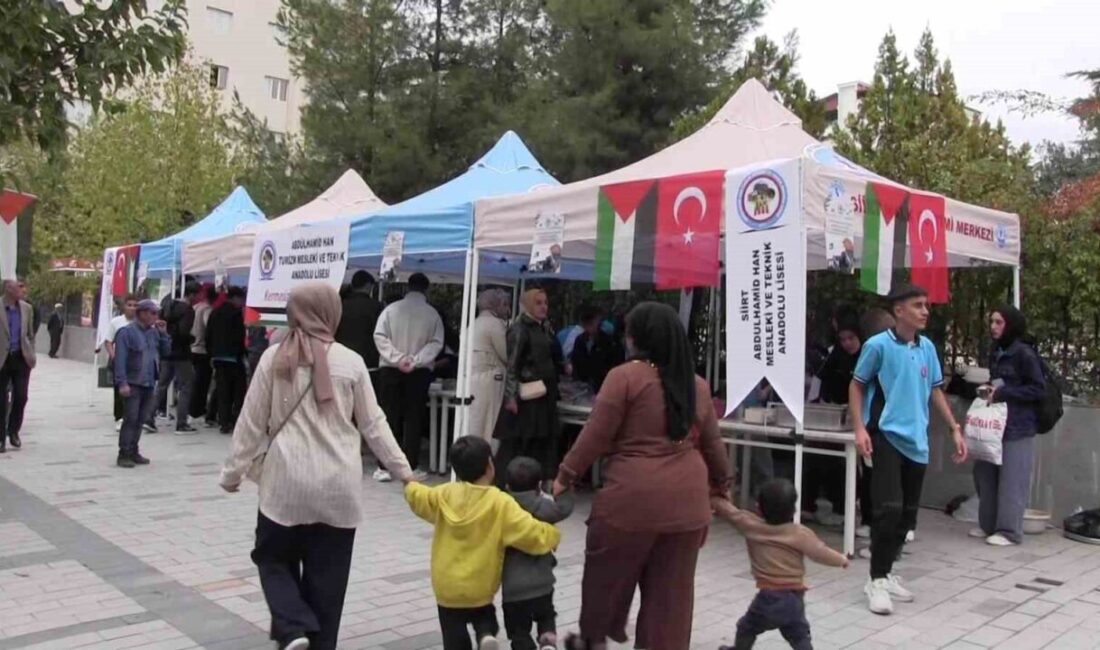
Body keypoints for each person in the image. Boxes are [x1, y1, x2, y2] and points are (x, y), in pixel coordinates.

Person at [219, 282, 414, 650]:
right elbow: (374, 423)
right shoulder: (352, 361)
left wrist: (233, 473)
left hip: (284, 486)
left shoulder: (273, 357)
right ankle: (316, 641)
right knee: (329, 584)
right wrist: (403, 472)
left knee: (272, 558)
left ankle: (292, 627)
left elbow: (250, 421)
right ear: (330, 313)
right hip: (338, 489)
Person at [553, 302, 732, 650]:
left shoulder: (624, 377)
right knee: (672, 600)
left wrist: (565, 476)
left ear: (638, 338)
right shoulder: (696, 384)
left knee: (605, 579)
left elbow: (595, 435)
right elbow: (714, 445)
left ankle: (594, 638)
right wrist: (722, 487)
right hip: (688, 506)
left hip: (630, 500)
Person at [849, 285, 967, 615]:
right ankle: (875, 580)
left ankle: (886, 572)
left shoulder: (927, 347)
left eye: (926, 305)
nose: (925, 311)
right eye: (918, 305)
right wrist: (860, 428)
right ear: (899, 311)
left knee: (907, 517)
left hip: (918, 442)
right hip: (886, 436)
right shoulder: (877, 346)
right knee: (888, 508)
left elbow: (935, 391)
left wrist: (954, 428)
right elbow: (857, 386)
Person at [405, 436, 561, 650]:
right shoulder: (499, 502)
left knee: (453, 632)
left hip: (446, 586)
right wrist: (552, 535)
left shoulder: (443, 494)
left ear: (456, 469)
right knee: (484, 616)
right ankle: (484, 634)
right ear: (490, 465)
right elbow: (529, 532)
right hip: (480, 585)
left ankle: (473, 640)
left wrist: (409, 484)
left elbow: (419, 497)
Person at [712, 478, 848, 650]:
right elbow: (820, 553)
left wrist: (713, 498)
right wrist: (841, 560)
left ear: (758, 508)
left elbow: (730, 512)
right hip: (795, 597)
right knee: (799, 636)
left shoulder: (750, 525)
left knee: (746, 628)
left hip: (769, 597)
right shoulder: (800, 534)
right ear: (794, 509)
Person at [970, 305, 1046, 547]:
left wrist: (1003, 393)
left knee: (1012, 479)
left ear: (1010, 325)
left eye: (999, 322)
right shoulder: (997, 351)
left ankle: (1009, 531)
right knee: (985, 473)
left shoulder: (1024, 353)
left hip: (1018, 425)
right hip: (994, 423)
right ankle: (988, 524)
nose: (993, 327)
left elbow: (1037, 388)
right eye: (991, 322)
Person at [373, 273, 443, 482]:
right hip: (418, 372)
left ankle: (384, 467)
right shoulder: (432, 314)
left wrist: (397, 358)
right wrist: (415, 360)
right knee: (413, 419)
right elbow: (436, 342)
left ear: (407, 287)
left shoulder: (390, 310)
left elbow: (380, 336)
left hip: (390, 369)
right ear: (426, 289)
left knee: (388, 417)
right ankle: (410, 466)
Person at [502, 457, 574, 650]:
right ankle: (548, 641)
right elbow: (564, 509)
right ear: (539, 485)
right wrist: (563, 488)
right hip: (543, 583)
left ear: (507, 486)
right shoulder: (544, 507)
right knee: (546, 616)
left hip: (513, 589)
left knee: (518, 632)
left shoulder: (501, 510)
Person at [495, 289, 565, 485]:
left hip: (544, 394)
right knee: (520, 442)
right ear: (527, 305)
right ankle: (507, 481)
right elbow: (512, 364)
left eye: (545, 303)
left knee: (541, 441)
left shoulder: (543, 328)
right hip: (527, 396)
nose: (544, 307)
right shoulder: (519, 329)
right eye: (538, 303)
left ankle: (535, 481)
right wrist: (511, 396)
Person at [854, 308, 897, 541]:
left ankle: (879, 525)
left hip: (879, 426)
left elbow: (861, 388)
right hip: (884, 426)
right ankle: (883, 523)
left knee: (879, 479)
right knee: (881, 478)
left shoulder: (878, 355)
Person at [113, 299, 169, 468]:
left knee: (140, 419)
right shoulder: (126, 332)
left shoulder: (154, 333)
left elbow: (166, 353)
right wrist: (122, 383)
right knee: (130, 418)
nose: (155, 316)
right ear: (142, 313)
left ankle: (134, 450)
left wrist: (164, 334)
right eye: (153, 313)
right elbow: (120, 360)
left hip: (149, 382)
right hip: (133, 382)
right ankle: (124, 453)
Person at [153, 282, 197, 433]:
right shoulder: (187, 310)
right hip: (181, 353)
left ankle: (147, 418)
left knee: (161, 385)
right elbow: (183, 332)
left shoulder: (166, 304)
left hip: (166, 351)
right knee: (185, 386)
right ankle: (182, 423)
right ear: (190, 294)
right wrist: (191, 339)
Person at [468, 289, 510, 443]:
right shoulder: (494, 324)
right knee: (490, 424)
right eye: (505, 305)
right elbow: (506, 355)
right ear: (496, 305)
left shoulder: (475, 323)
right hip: (490, 379)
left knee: (475, 421)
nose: (507, 310)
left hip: (473, 378)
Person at [0, 278, 37, 453]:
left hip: (21, 358)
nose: (21, 290)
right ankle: (0, 438)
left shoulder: (26, 309)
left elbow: (30, 334)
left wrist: (31, 353)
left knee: (21, 396)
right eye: (17, 287)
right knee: (1, 400)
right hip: (2, 358)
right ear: (8, 289)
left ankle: (13, 430)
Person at [207, 286, 247, 434]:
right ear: (236, 298)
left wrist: (212, 354)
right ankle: (236, 421)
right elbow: (239, 336)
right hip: (233, 358)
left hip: (218, 357)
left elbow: (208, 334)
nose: (243, 303)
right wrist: (242, 353)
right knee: (238, 391)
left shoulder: (215, 312)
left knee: (223, 391)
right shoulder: (236, 314)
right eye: (242, 299)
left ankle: (224, 422)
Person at [335, 270, 383, 371]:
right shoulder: (376, 307)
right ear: (368, 286)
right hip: (368, 359)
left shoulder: (339, 305)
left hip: (342, 357)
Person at [569, 305, 624, 393]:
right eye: (586, 324)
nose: (589, 328)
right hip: (584, 387)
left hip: (606, 385)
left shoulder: (610, 341)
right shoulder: (580, 340)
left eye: (591, 323)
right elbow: (576, 362)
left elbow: (617, 363)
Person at [105, 295, 139, 432]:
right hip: (120, 361)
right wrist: (114, 356)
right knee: (119, 390)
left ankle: (132, 416)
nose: (132, 308)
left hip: (135, 363)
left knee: (134, 390)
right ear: (124, 307)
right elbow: (108, 341)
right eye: (129, 305)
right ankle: (119, 417)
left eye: (135, 305)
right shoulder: (116, 322)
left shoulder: (140, 323)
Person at [190, 285, 215, 424]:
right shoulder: (207, 309)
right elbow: (208, 325)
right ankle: (197, 409)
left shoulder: (195, 307)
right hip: (202, 349)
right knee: (202, 382)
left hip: (193, 348)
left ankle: (194, 408)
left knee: (196, 381)